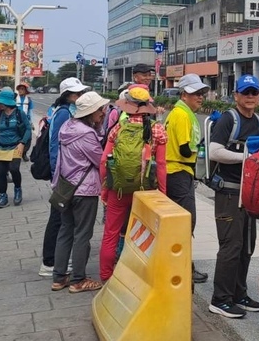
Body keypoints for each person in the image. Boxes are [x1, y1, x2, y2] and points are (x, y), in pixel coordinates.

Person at [206, 74, 259, 318]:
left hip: (249, 194)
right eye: (245, 92)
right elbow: (214, 151)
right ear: (236, 95)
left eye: (254, 93)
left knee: (246, 247)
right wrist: (247, 159)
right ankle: (220, 299)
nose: (250, 97)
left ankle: (239, 293)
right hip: (229, 192)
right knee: (231, 246)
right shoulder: (229, 119)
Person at [98, 86, 165, 282]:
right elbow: (161, 165)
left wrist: (104, 188)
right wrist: (162, 192)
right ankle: (140, 278)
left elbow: (104, 161)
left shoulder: (118, 128)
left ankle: (106, 277)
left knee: (111, 233)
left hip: (118, 190)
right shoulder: (157, 129)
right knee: (145, 236)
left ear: (127, 106)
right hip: (146, 192)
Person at [52, 90, 108, 293]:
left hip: (66, 187)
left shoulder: (67, 127)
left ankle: (59, 277)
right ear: (90, 112)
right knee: (82, 234)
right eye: (100, 110)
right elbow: (99, 159)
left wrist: (99, 126)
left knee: (65, 231)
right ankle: (78, 280)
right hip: (85, 190)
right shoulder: (86, 134)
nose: (103, 112)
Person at [38, 77, 89, 278]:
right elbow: (55, 146)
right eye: (77, 93)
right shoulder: (63, 114)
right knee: (57, 218)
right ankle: (49, 261)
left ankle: (56, 259)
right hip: (62, 175)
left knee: (62, 217)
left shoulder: (67, 111)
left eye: (81, 92)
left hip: (64, 173)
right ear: (67, 95)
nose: (80, 96)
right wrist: (56, 174)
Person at [164, 73, 210, 284]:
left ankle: (183, 267)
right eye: (195, 93)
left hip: (176, 173)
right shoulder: (182, 115)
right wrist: (200, 147)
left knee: (181, 222)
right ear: (184, 94)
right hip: (180, 172)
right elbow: (184, 150)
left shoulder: (181, 112)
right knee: (185, 223)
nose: (200, 97)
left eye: (202, 93)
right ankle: (183, 269)